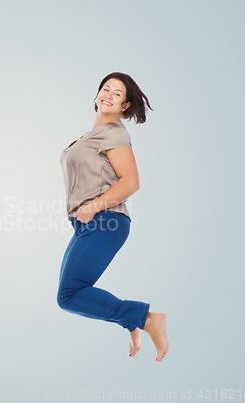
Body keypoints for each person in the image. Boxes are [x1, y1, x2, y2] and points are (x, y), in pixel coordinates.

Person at [57, 73, 169, 362]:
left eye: (117, 93)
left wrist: (93, 207)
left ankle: (146, 318)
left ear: (125, 105)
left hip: (105, 222)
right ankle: (131, 320)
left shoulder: (114, 133)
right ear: (97, 94)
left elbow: (131, 182)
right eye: (105, 88)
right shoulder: (92, 135)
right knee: (71, 293)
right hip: (86, 226)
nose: (108, 94)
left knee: (68, 295)